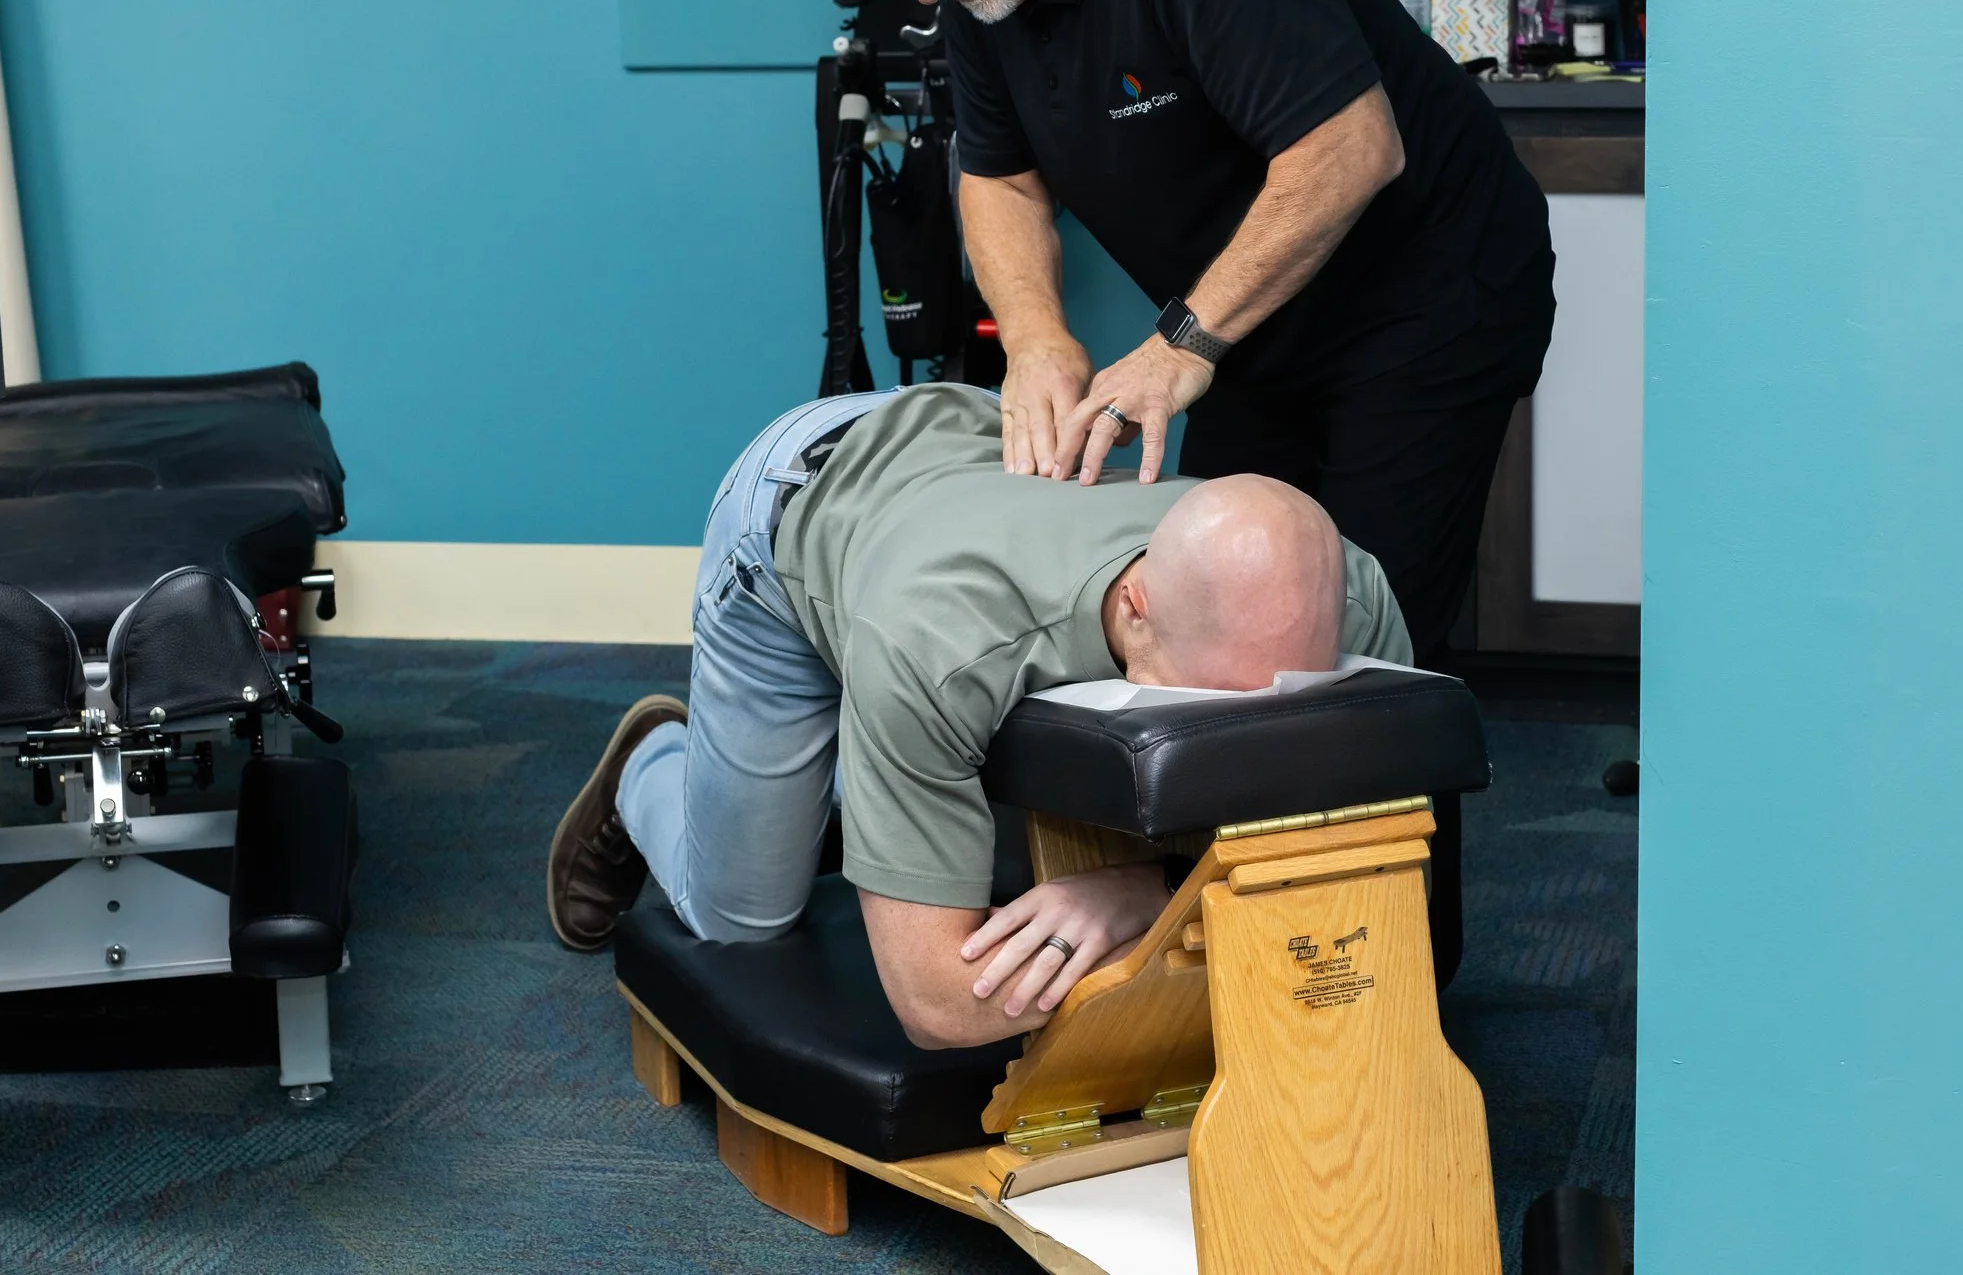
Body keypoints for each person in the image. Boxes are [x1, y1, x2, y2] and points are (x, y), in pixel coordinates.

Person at [794, 0, 1556, 665]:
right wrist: (1035, 340)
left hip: (1426, 301)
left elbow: (1350, 148)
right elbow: (998, 176)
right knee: (1222, 616)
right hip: (1260, 325)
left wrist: (1181, 343)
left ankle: (1377, 802)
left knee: (1358, 642)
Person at [547, 382, 1409, 1049]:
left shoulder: (1345, 593)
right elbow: (939, 1007)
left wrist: (1149, 891)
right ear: (1139, 607)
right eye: (1218, 710)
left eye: (1286, 701)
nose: (1263, 736)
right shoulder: (935, 640)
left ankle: (874, 775)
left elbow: (1386, 871)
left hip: (959, 475)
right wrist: (1199, 906)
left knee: (921, 752)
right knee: (742, 918)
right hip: (792, 505)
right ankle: (652, 766)